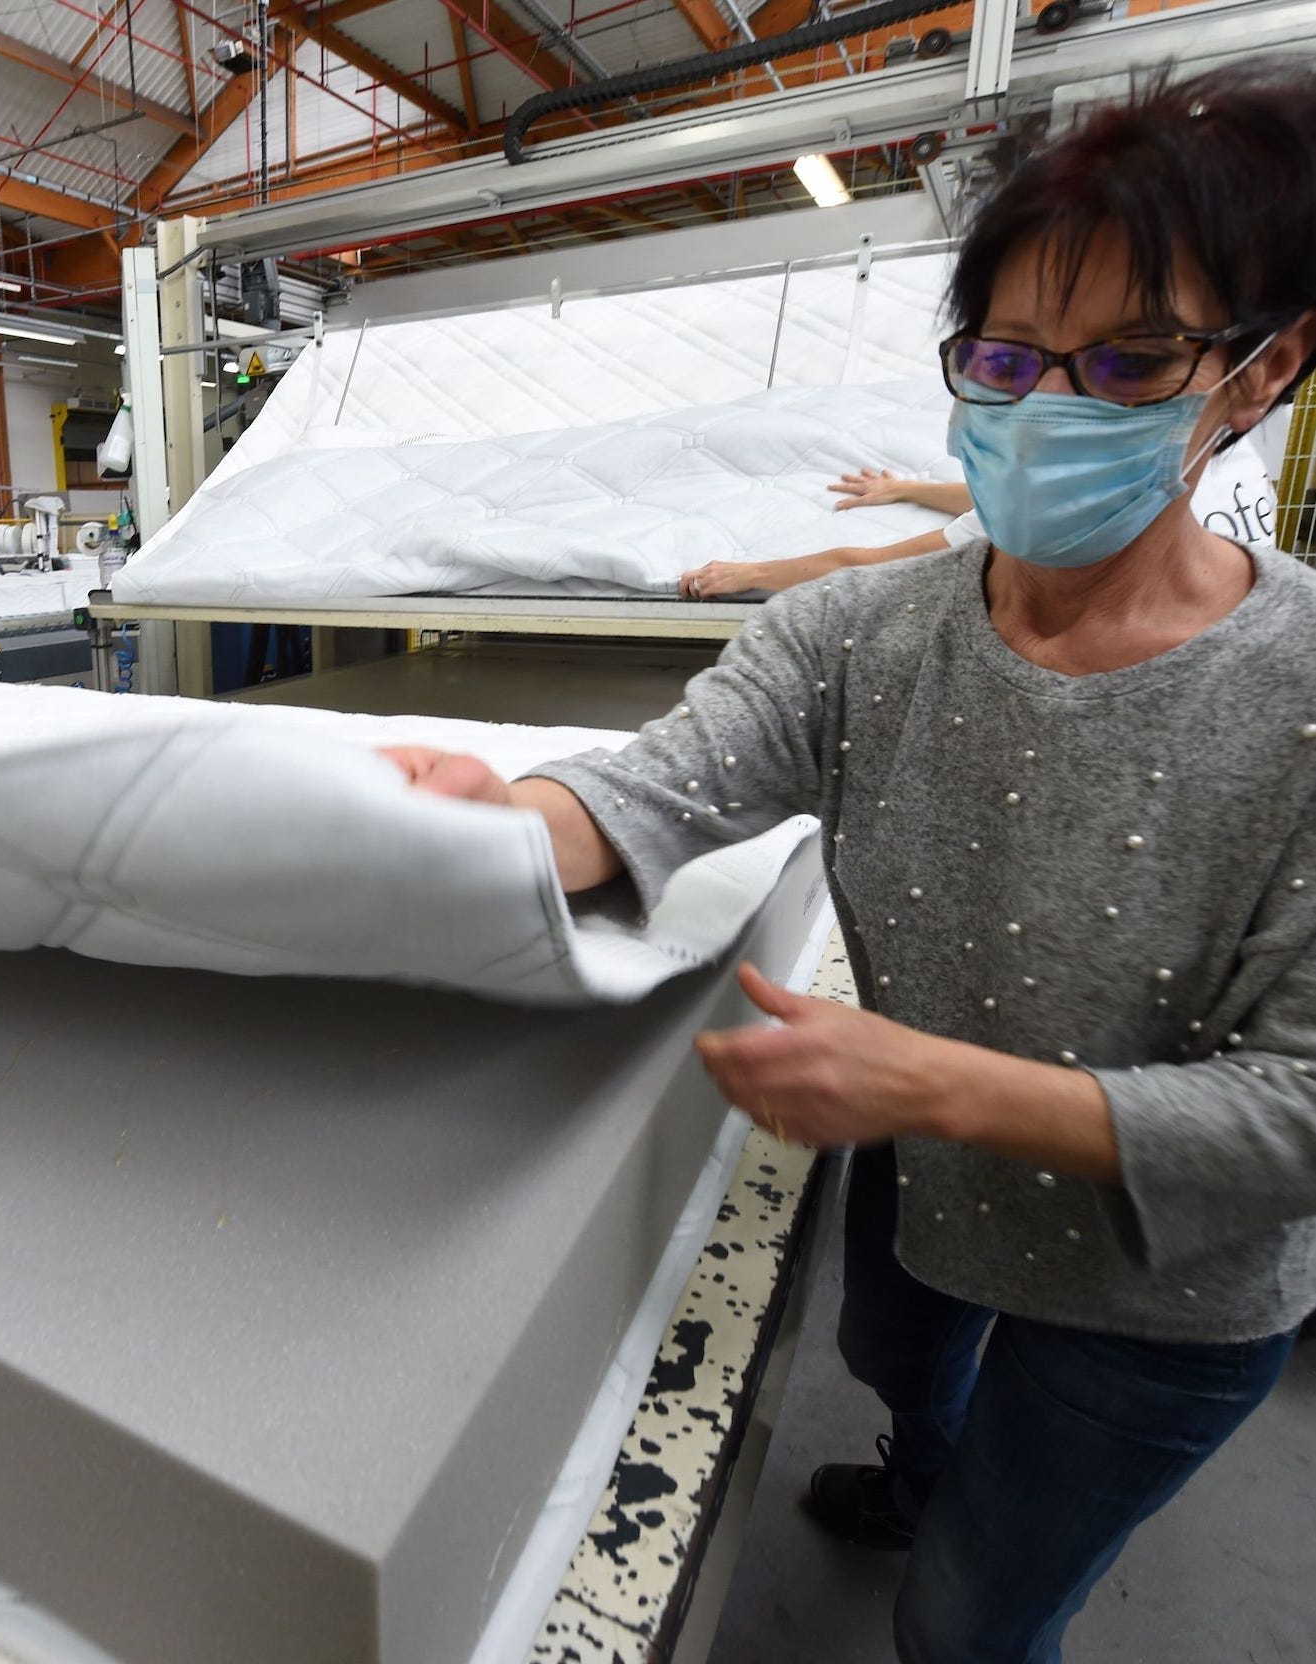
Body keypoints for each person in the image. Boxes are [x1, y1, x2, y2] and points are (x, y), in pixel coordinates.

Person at [385, 66, 1316, 1663]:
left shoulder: (1296, 698)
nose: (1047, 410)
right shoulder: (860, 634)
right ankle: (920, 1465)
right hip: (933, 1183)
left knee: (966, 1619)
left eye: (1128, 362)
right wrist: (504, 812)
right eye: (1006, 361)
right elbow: (663, 785)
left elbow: (1299, 1109)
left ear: (1255, 372)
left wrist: (929, 1088)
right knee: (906, 1367)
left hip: (1163, 1290)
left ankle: (953, 1550)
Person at [679, 412, 1283, 599]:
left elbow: (865, 564)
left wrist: (748, 572)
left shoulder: (1054, 518)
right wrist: (907, 489)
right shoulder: (1236, 458)